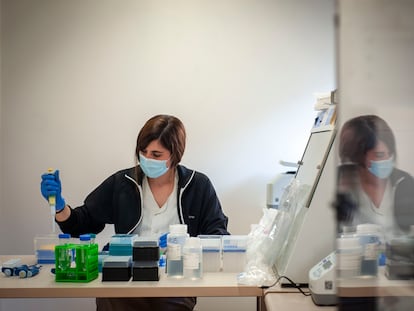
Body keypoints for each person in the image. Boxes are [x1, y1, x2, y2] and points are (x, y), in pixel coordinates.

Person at [40, 114, 229, 311]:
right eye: (143, 152)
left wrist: (183, 244)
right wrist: (60, 207)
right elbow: (83, 222)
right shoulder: (122, 183)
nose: (147, 159)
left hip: (175, 282)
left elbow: (218, 235)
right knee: (110, 300)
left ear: (175, 155)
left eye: (156, 155)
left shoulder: (198, 185)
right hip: (126, 280)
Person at [337, 114, 414, 239]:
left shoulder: (405, 183)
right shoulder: (338, 184)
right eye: (379, 155)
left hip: (397, 257)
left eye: (390, 154)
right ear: (357, 156)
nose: (387, 160)